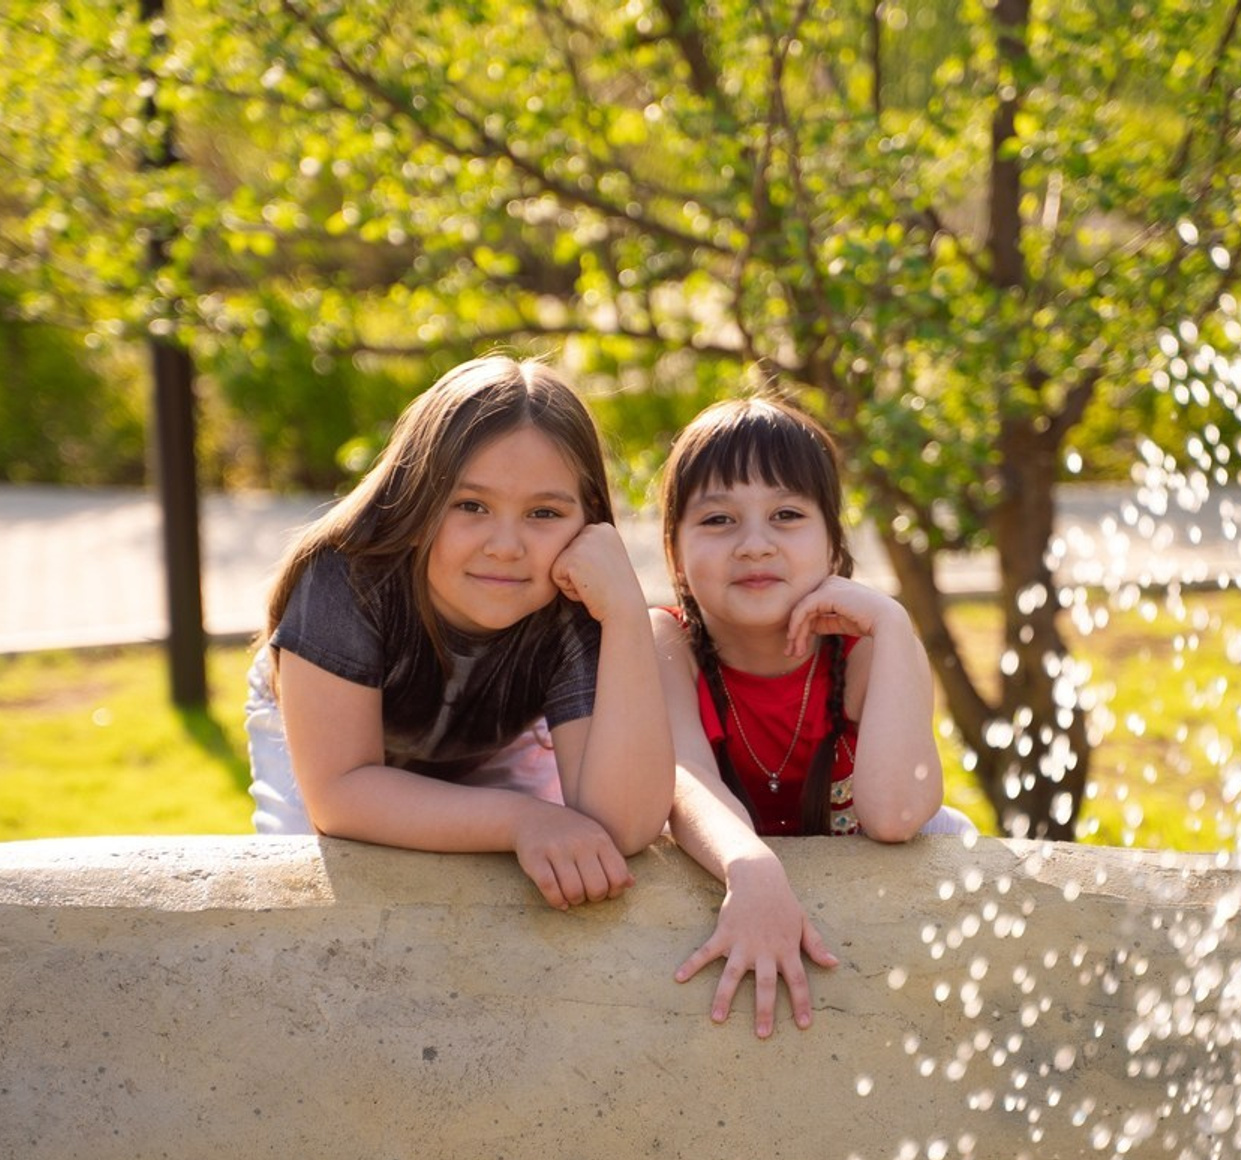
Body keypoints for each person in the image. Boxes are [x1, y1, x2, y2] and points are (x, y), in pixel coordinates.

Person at [245, 354, 674, 911]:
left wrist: (625, 618)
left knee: (557, 871)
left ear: (587, 520)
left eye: (544, 513)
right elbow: (340, 795)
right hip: (331, 737)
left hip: (492, 738)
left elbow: (623, 825)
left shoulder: (573, 596)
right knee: (306, 895)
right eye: (471, 505)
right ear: (417, 498)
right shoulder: (345, 575)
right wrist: (522, 818)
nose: (505, 545)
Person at [651, 397, 973, 1037]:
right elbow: (683, 780)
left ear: (832, 546)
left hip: (875, 860)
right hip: (724, 851)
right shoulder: (666, 643)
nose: (754, 544)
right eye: (718, 519)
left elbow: (896, 815)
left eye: (787, 515)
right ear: (676, 554)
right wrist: (752, 865)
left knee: (947, 833)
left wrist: (893, 622)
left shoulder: (865, 646)